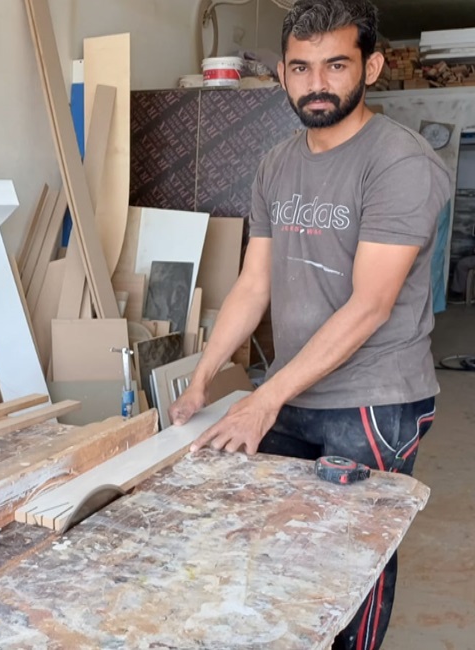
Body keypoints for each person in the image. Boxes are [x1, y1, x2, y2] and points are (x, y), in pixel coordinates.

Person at [169, 1, 451, 648]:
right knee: (280, 542)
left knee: (354, 555)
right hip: (292, 392)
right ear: (282, 73)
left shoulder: (400, 164)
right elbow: (254, 283)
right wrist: (202, 377)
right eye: (301, 67)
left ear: (371, 68)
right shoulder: (277, 162)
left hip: (373, 402)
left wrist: (263, 400)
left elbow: (370, 305)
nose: (316, 84)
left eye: (336, 65)